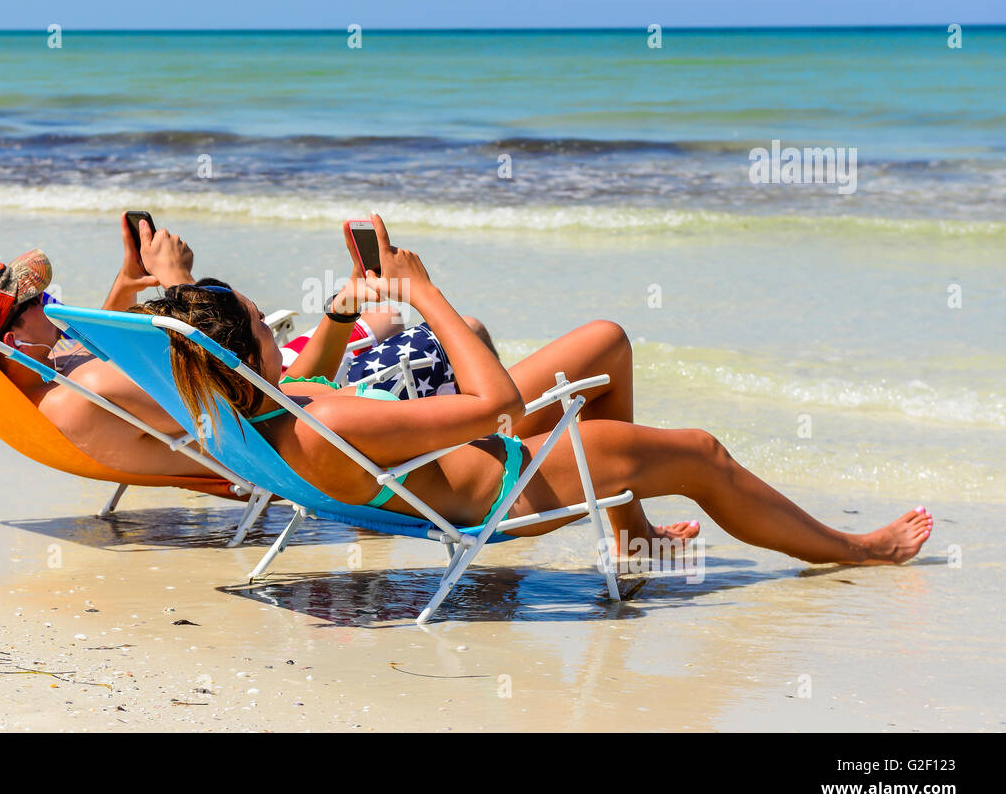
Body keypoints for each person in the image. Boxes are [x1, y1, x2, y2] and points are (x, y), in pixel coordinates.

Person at [131, 214, 934, 565]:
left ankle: (632, 536)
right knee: (704, 453)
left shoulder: (245, 409)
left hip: (457, 461)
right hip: (511, 480)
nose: (281, 330)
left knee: (607, 342)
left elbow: (302, 374)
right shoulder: (321, 416)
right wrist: (422, 293)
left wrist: (349, 300)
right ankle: (858, 548)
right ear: (248, 351)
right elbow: (500, 407)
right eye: (265, 326)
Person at [0, 214, 482, 476]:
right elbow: (246, 384)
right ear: (12, 335)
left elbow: (109, 354)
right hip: (296, 428)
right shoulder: (86, 394)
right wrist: (176, 283)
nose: (51, 302)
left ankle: (352, 314)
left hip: (280, 391)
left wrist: (127, 285)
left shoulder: (46, 381)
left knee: (378, 312)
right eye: (37, 301)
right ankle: (499, 460)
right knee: (468, 333)